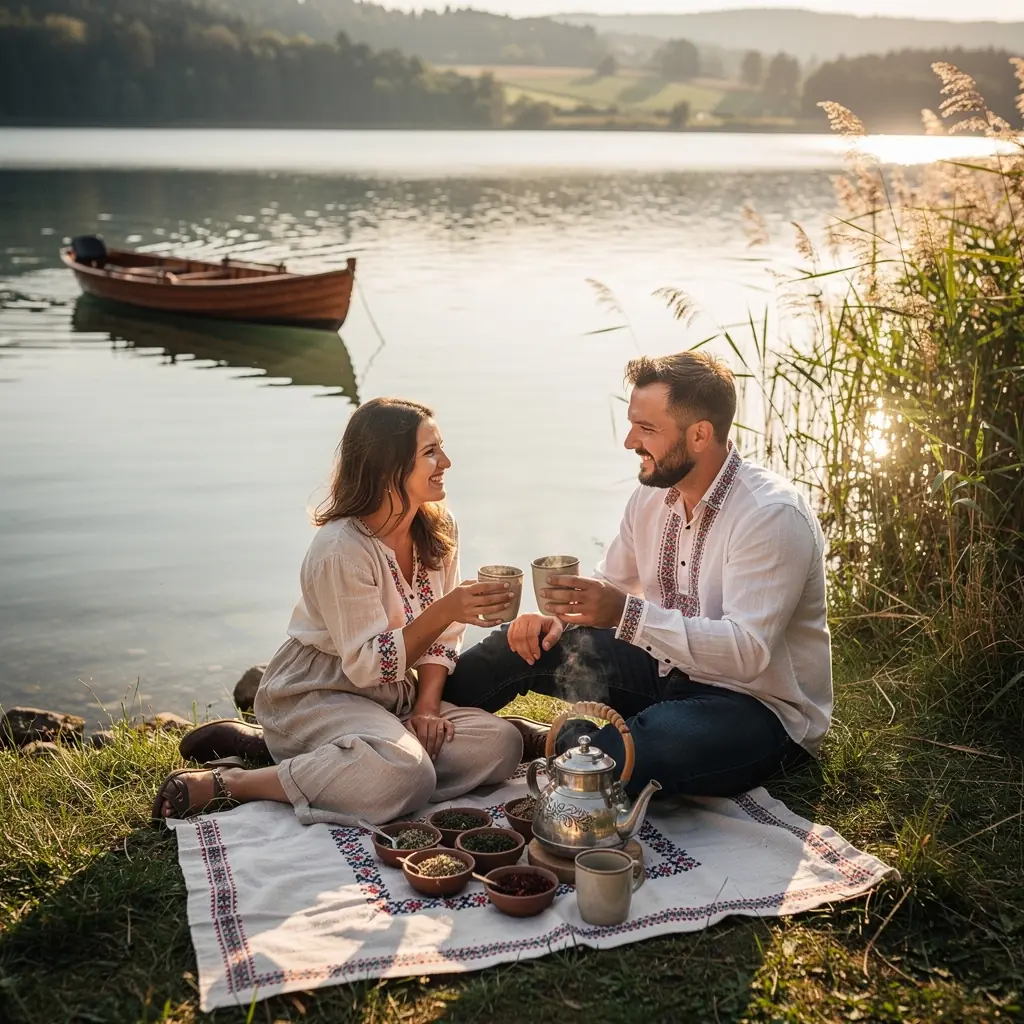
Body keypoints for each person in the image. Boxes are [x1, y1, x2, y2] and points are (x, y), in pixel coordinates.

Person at [442, 351, 832, 798]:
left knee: (631, 750)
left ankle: (543, 742)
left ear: (701, 435)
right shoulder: (650, 498)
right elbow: (612, 588)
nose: (630, 442)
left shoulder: (770, 515)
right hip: (665, 671)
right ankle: (418, 723)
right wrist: (558, 621)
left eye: (647, 429)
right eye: (633, 425)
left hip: (756, 707)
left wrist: (624, 613)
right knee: (517, 645)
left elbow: (747, 654)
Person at [154, 398, 524, 826]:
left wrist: (426, 706)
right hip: (319, 690)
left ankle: (341, 764)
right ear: (388, 468)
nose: (446, 461)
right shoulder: (340, 549)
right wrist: (445, 608)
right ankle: (233, 782)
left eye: (440, 448)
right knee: (407, 772)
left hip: (393, 699)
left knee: (499, 743)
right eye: (430, 452)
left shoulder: (439, 526)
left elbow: (445, 637)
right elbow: (369, 666)